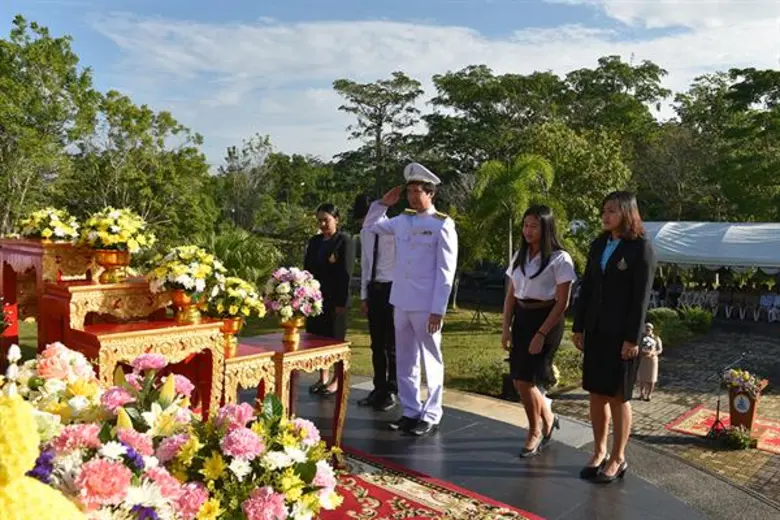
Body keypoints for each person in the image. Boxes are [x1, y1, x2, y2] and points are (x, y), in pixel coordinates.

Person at [362, 162, 458, 437]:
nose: (413, 197)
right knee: (405, 359)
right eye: (410, 191)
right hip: (401, 302)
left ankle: (432, 413)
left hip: (426, 304)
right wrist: (382, 203)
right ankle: (410, 410)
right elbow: (371, 226)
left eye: (419, 191)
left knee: (431, 359)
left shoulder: (442, 225)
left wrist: (438, 309)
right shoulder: (402, 220)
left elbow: (445, 271)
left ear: (431, 194)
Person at [572, 191, 656, 483]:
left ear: (627, 214)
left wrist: (632, 339)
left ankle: (618, 458)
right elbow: (588, 289)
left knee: (618, 397)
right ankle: (599, 451)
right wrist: (578, 326)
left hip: (622, 337)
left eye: (612, 211)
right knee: (596, 393)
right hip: (596, 331)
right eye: (604, 210)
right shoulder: (598, 245)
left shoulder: (640, 249)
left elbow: (640, 299)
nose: (605, 216)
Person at [501, 205, 575, 457]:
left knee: (527, 378)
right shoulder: (519, 256)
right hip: (522, 317)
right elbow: (511, 295)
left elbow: (563, 302)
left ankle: (535, 429)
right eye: (525, 225)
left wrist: (541, 333)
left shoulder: (559, 259)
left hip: (547, 319)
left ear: (546, 228)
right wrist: (505, 328)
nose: (528, 230)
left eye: (534, 226)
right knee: (519, 378)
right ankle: (549, 418)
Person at [303, 203, 356, 395]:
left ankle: (336, 380)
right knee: (318, 340)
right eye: (320, 220)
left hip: (335, 300)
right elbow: (307, 270)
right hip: (315, 300)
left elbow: (346, 274)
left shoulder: (344, 241)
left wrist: (342, 302)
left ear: (336, 219)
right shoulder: (315, 241)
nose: (323, 224)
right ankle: (322, 377)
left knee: (335, 341)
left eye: (327, 219)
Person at [353, 194, 398, 411]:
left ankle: (391, 390)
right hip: (374, 288)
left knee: (392, 345)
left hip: (392, 288)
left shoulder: (393, 228)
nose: (362, 221)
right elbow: (365, 266)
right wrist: (364, 295)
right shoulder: (365, 232)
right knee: (376, 344)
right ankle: (378, 387)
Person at [637, 323, 662, 401]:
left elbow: (660, 349)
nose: (647, 329)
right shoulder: (640, 338)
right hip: (643, 359)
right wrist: (641, 352)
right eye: (646, 328)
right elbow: (637, 347)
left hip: (652, 360)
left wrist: (653, 353)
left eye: (649, 328)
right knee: (642, 377)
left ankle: (649, 394)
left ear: (652, 329)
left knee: (651, 378)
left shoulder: (656, 338)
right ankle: (641, 393)